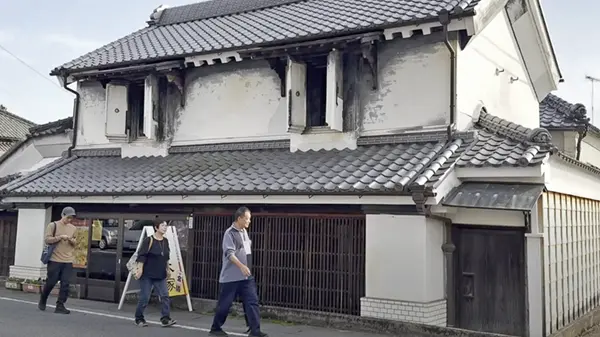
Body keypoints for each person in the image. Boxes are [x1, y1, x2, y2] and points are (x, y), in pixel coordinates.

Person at [209, 207, 268, 337]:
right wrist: (241, 266)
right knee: (225, 305)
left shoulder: (244, 232)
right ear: (239, 218)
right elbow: (229, 254)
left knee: (252, 302)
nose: (249, 221)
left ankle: (255, 330)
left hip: (246, 277)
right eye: (247, 219)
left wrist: (246, 268)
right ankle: (215, 328)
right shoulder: (229, 233)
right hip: (231, 277)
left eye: (250, 219)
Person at [133, 220, 176, 328]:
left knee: (165, 296)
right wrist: (140, 269)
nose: (165, 227)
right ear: (156, 228)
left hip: (160, 274)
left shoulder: (165, 241)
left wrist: (167, 269)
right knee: (145, 297)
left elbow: (166, 256)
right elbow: (141, 255)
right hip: (147, 274)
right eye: (162, 225)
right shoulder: (149, 240)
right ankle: (139, 318)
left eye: (166, 225)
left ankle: (165, 318)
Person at [38, 206, 77, 314]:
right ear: (62, 215)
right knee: (51, 282)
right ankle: (43, 298)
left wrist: (71, 240)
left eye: (71, 218)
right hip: (54, 259)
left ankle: (60, 305)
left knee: (65, 283)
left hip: (68, 259)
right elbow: (47, 239)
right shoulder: (53, 225)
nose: (69, 220)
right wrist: (59, 237)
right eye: (68, 217)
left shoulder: (73, 228)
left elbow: (75, 242)